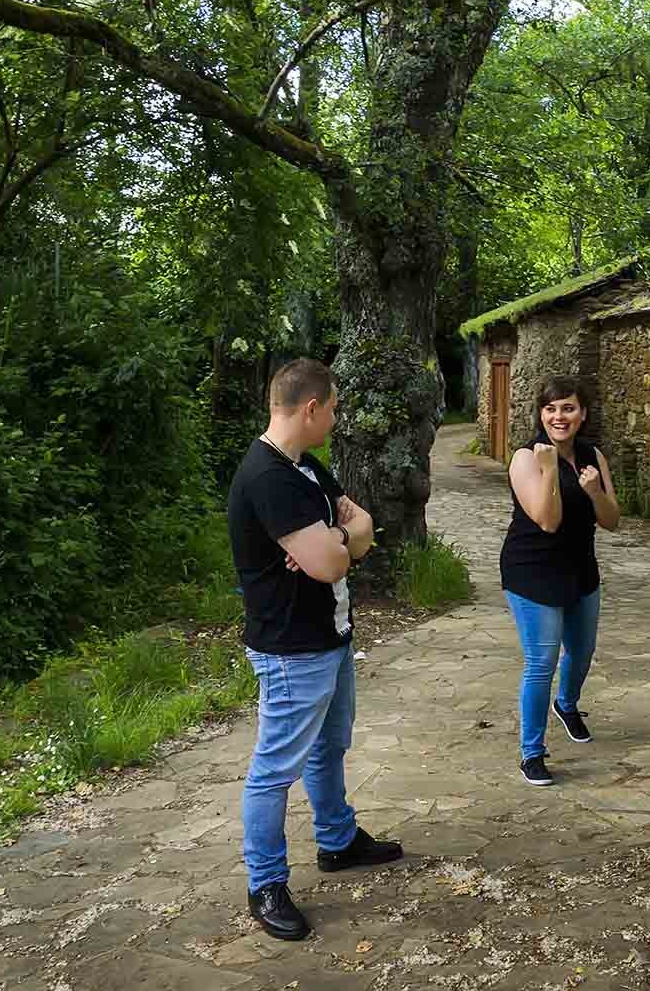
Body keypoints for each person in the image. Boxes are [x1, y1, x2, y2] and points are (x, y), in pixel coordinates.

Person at [227, 358, 403, 941]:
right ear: (310, 408)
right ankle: (266, 884)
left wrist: (339, 538)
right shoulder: (268, 477)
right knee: (275, 768)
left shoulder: (304, 468)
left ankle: (337, 840)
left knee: (331, 746)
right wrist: (337, 543)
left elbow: (360, 528)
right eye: (331, 408)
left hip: (329, 637)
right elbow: (332, 561)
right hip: (290, 650)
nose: (334, 418)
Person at [500, 376, 621, 786]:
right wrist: (550, 470)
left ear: (582, 414)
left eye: (568, 408)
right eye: (551, 409)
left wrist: (593, 491)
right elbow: (548, 521)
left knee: (582, 652)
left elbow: (612, 520)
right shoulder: (525, 458)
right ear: (541, 414)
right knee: (541, 662)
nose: (559, 416)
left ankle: (566, 704)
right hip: (532, 571)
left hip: (580, 567)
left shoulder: (593, 457)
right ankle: (531, 752)